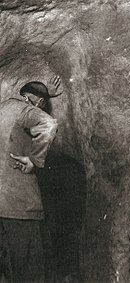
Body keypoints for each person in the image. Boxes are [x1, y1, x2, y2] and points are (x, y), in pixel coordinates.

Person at [0, 75, 63, 283]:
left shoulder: (3, 109)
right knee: (29, 272)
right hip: (20, 208)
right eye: (43, 104)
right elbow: (47, 123)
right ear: (37, 102)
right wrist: (34, 161)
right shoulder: (24, 110)